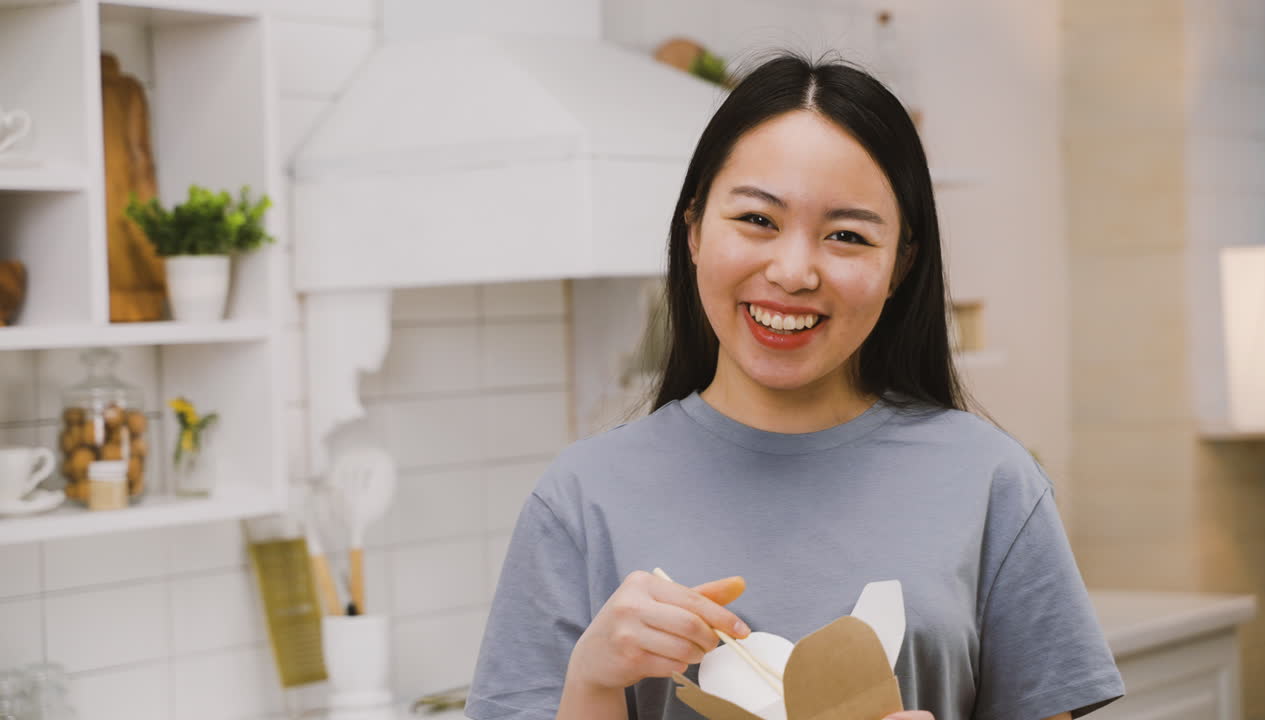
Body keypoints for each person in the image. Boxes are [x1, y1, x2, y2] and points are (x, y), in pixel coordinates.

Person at [464, 52, 1124, 720]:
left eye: (846, 235)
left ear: (900, 263)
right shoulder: (580, 498)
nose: (794, 271)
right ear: (693, 230)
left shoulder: (992, 484)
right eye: (757, 220)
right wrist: (592, 683)